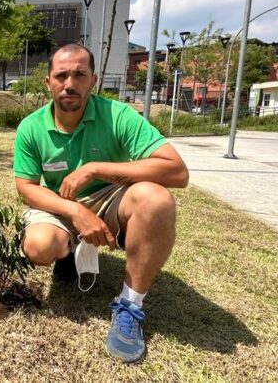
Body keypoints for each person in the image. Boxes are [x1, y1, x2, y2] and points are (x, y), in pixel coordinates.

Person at [13, 43, 189, 363]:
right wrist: (75, 211)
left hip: (112, 197)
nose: (70, 83)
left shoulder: (118, 115)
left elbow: (176, 171)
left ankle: (130, 305)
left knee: (156, 199)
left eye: (79, 74)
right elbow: (25, 187)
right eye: (61, 75)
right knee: (38, 247)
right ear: (48, 82)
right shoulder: (31, 127)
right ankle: (67, 252)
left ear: (93, 80)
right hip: (62, 203)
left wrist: (97, 169)